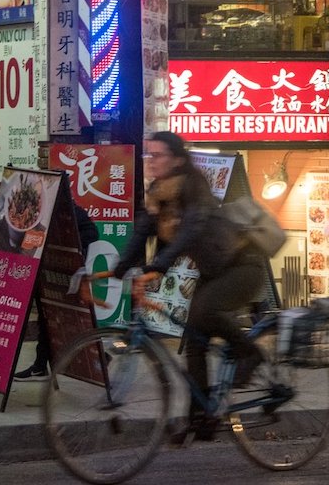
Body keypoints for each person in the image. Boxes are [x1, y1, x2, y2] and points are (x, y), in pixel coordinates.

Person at [112, 132, 266, 439]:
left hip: (243, 265)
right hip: (213, 270)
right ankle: (201, 418)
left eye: (158, 155)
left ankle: (251, 353)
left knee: (205, 312)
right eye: (149, 155)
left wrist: (157, 266)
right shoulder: (158, 192)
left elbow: (191, 232)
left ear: (178, 160)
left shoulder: (195, 189)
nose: (152, 162)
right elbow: (143, 231)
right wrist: (118, 268)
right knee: (194, 342)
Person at [13, 201, 98, 380]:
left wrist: (67, 244)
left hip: (65, 275)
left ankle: (99, 358)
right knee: (45, 319)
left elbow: (92, 233)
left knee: (72, 320)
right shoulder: (37, 213)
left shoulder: (74, 211)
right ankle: (39, 365)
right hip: (43, 273)